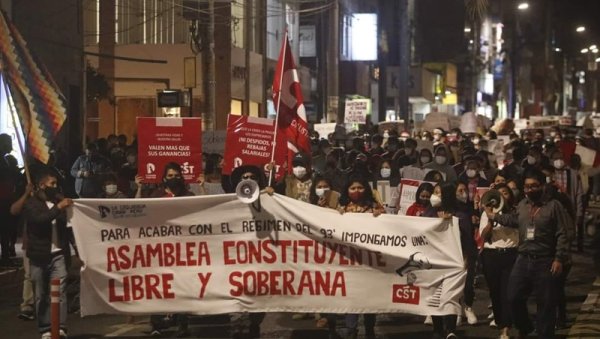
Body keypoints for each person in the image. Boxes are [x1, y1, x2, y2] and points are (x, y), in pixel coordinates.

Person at [485, 168, 571, 338]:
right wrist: (493, 216)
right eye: (526, 187)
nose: (529, 190)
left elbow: (564, 233)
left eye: (534, 186)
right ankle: (526, 326)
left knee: (545, 305)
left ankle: (545, 334)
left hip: (546, 261)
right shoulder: (523, 205)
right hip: (523, 259)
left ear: (542, 186)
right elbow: (513, 220)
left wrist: (559, 258)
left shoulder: (554, 206)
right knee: (513, 297)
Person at [23, 169, 73, 339]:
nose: (55, 187)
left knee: (60, 292)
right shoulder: (32, 204)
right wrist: (58, 208)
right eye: (52, 184)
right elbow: (40, 221)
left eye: (56, 184)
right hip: (39, 256)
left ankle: (60, 327)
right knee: (42, 294)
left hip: (58, 255)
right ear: (42, 185)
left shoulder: (58, 201)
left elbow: (67, 229)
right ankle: (45, 328)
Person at [338, 175, 384, 339]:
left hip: (369, 261)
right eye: (353, 188)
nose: (357, 191)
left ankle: (370, 330)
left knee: (368, 297)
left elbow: (387, 229)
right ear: (347, 190)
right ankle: (351, 330)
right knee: (351, 297)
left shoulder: (374, 207)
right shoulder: (341, 208)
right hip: (348, 261)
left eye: (360, 187)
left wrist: (381, 216)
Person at [479, 184, 519, 339]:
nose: (502, 196)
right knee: (495, 292)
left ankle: (506, 330)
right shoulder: (486, 214)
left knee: (507, 292)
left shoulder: (515, 212)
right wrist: (490, 218)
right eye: (499, 193)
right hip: (491, 255)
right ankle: (501, 323)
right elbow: (483, 236)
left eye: (505, 193)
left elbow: (517, 226)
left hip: (510, 254)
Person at [422, 182, 461, 338]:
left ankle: (450, 330)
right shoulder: (428, 213)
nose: (434, 196)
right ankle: (437, 329)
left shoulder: (459, 214)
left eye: (439, 193)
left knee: (449, 295)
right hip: (432, 261)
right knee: (434, 295)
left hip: (452, 262)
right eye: (435, 192)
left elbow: (464, 239)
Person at [9, 181, 35, 321]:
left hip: (50, 244)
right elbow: (14, 210)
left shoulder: (52, 198)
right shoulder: (28, 200)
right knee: (29, 275)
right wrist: (26, 193)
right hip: (30, 243)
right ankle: (28, 305)